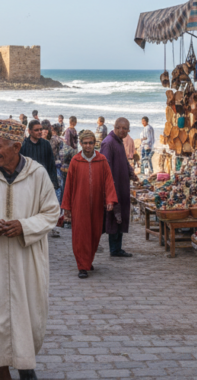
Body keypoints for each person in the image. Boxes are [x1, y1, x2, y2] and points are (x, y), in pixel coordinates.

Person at [0, 119, 61, 380]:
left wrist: (24, 226)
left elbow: (52, 213)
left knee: (26, 316)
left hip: (26, 261)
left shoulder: (38, 174)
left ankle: (25, 365)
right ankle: (3, 372)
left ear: (16, 146)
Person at [61, 130, 117, 278]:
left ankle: (88, 260)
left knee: (95, 233)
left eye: (90, 143)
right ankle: (82, 266)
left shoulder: (102, 160)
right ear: (80, 144)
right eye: (85, 143)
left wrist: (110, 200)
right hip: (79, 204)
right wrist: (66, 206)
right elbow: (69, 185)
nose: (88, 146)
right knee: (81, 235)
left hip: (97, 205)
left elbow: (108, 181)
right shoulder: (75, 161)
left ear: (94, 144)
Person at [101, 118, 137, 258]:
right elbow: (106, 167)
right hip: (114, 188)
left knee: (119, 216)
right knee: (114, 218)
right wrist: (110, 188)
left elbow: (124, 161)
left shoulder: (118, 141)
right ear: (115, 127)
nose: (123, 130)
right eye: (120, 128)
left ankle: (117, 248)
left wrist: (131, 173)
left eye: (125, 128)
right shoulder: (108, 143)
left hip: (121, 186)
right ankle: (114, 249)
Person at [21, 120, 60, 238]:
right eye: (36, 130)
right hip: (27, 183)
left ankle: (45, 228)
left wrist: (53, 182)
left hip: (44, 182)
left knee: (44, 207)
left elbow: (51, 164)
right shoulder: (23, 145)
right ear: (29, 131)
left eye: (40, 129)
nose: (39, 132)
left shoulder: (46, 144)